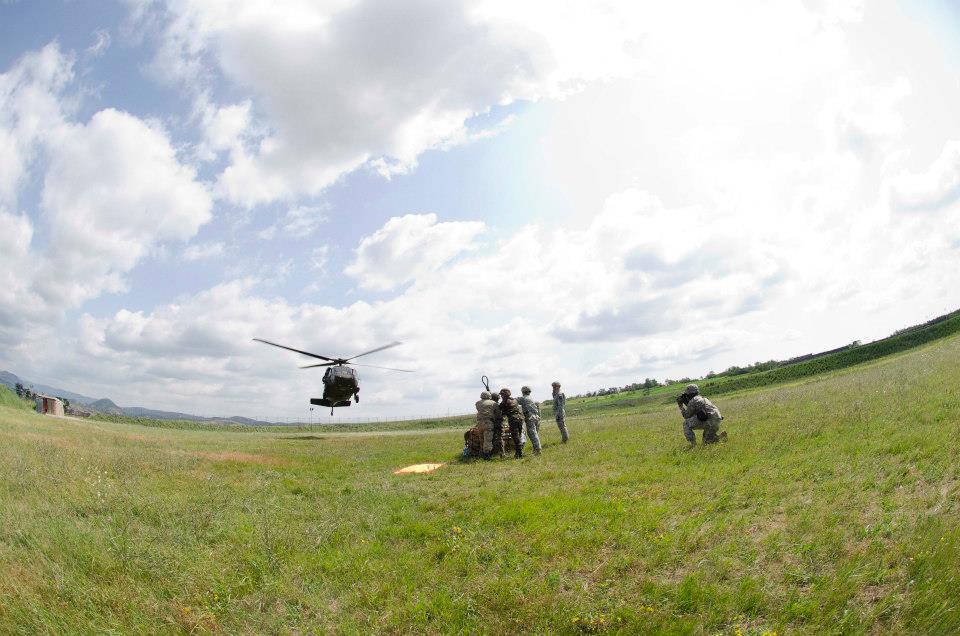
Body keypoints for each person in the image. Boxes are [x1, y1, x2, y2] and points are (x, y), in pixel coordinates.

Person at [499, 388, 525, 459]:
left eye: (502, 395)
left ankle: (519, 454)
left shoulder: (505, 401)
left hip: (513, 420)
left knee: (515, 437)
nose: (501, 396)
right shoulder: (515, 400)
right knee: (518, 436)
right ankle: (518, 452)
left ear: (504, 395)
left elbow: (500, 409)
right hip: (520, 418)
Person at [474, 391, 499, 459]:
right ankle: (487, 455)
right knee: (488, 440)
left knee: (482, 439)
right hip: (488, 423)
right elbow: (498, 413)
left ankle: (481, 453)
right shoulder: (493, 403)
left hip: (479, 423)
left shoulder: (477, 403)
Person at [517, 386, 542, 454]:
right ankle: (536, 449)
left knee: (532, 434)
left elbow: (513, 401)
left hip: (530, 417)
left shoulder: (523, 398)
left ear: (522, 391)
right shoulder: (531, 398)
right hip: (536, 417)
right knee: (535, 433)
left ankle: (537, 449)